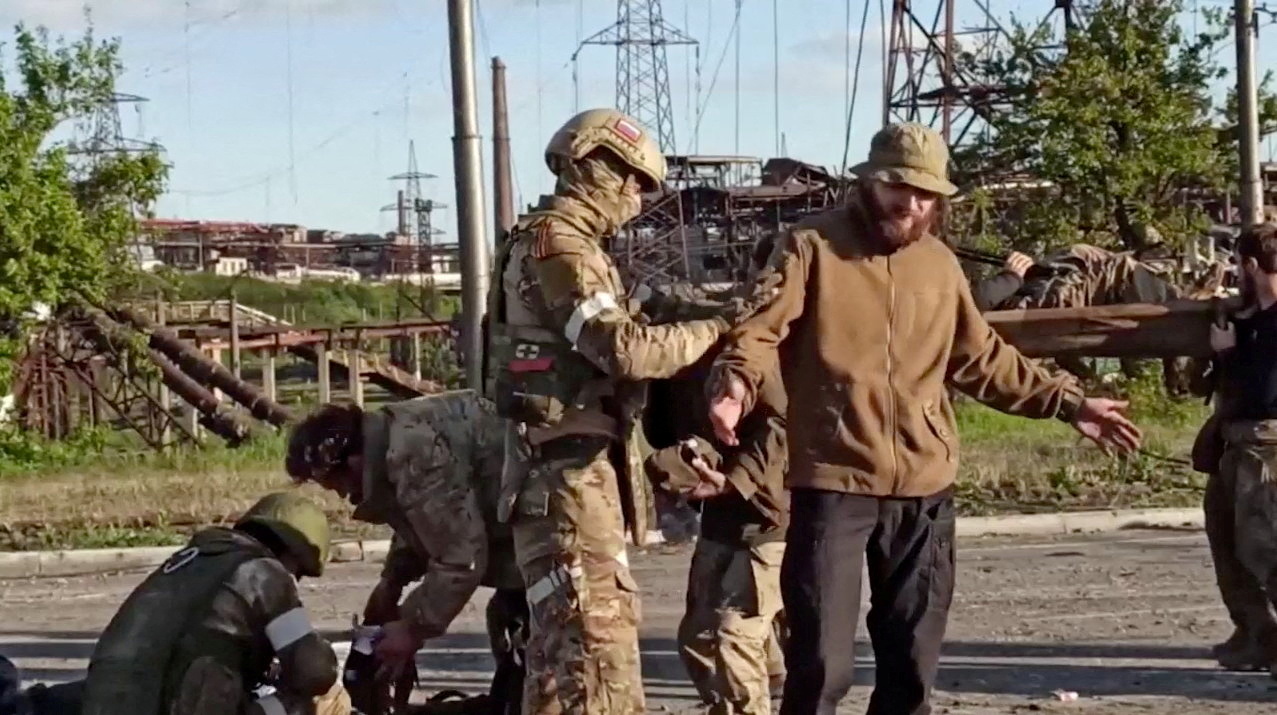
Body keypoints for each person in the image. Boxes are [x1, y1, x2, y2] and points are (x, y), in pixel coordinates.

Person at [706, 122, 1143, 715]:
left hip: (925, 486)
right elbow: (758, 329)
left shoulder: (939, 265)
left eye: (926, 195)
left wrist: (1068, 403)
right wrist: (735, 381)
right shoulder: (810, 247)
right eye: (898, 187)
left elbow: (982, 358)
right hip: (834, 480)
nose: (911, 204)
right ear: (870, 182)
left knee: (911, 667)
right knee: (820, 669)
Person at [486, 108, 735, 714]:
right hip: (568, 483)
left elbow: (638, 316)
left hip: (565, 478)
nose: (633, 195)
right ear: (582, 164)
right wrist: (717, 329)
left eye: (643, 185)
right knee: (598, 662)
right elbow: (623, 348)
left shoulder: (562, 244)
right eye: (624, 176)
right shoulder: (561, 245)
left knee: (559, 670)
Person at [284, 392, 525, 711]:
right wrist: (392, 582)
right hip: (526, 542)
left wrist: (412, 629)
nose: (344, 495)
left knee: (542, 671)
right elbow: (427, 520)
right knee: (510, 637)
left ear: (353, 461)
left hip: (556, 545)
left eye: (338, 484)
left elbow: (460, 557)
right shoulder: (389, 435)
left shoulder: (412, 453)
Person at [80, 492, 349, 715]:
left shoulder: (186, 562)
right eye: (299, 572)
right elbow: (315, 673)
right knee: (326, 700)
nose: (295, 580)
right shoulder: (263, 572)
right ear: (293, 553)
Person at [1199, 222, 1277, 676]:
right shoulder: (1249, 319)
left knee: (1264, 548)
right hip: (1237, 444)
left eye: (1239, 265)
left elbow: (1263, 389)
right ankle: (1255, 634)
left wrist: (1227, 354)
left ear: (1250, 264)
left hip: (1264, 446)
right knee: (1226, 543)